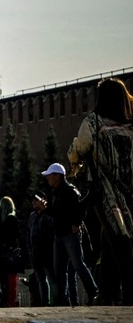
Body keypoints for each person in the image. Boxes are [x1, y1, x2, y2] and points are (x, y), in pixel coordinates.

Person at [68, 77, 133, 305]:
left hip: (107, 194)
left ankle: (128, 294)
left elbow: (79, 150)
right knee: (110, 240)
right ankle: (108, 292)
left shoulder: (94, 122)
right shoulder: (131, 123)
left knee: (119, 240)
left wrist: (73, 162)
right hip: (131, 192)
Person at [43, 162, 100, 306]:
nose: (48, 178)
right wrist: (46, 209)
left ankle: (94, 292)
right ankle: (62, 299)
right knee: (60, 270)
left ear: (58, 176)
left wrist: (76, 223)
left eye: (50, 175)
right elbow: (58, 213)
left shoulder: (70, 190)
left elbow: (81, 207)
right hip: (59, 234)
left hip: (70, 234)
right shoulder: (55, 192)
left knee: (78, 265)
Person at [0, 196, 22, 307]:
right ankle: (11, 302)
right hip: (10, 251)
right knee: (12, 278)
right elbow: (17, 235)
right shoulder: (12, 219)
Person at [27, 193, 54, 306]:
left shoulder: (48, 215)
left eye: (36, 200)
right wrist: (29, 249)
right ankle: (45, 302)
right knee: (41, 279)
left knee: (52, 278)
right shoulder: (32, 216)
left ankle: (58, 300)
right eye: (32, 200)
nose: (33, 202)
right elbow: (29, 233)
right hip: (35, 252)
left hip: (47, 252)